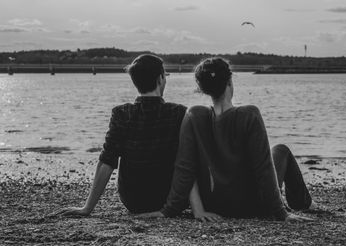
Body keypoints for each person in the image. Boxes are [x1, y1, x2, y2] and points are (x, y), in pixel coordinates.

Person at [140, 57, 314, 222]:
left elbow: (185, 167)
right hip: (252, 207)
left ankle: (303, 202)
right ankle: (304, 203)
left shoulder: (194, 115)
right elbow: (264, 168)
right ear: (230, 82)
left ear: (202, 88)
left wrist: (168, 210)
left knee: (277, 152)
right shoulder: (249, 114)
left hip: (214, 205)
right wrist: (281, 213)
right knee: (281, 150)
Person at [55, 54, 187, 216]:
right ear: (160, 79)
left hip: (134, 200)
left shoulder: (122, 113)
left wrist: (87, 208)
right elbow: (187, 160)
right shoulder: (178, 112)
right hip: (169, 198)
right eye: (165, 76)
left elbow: (107, 162)